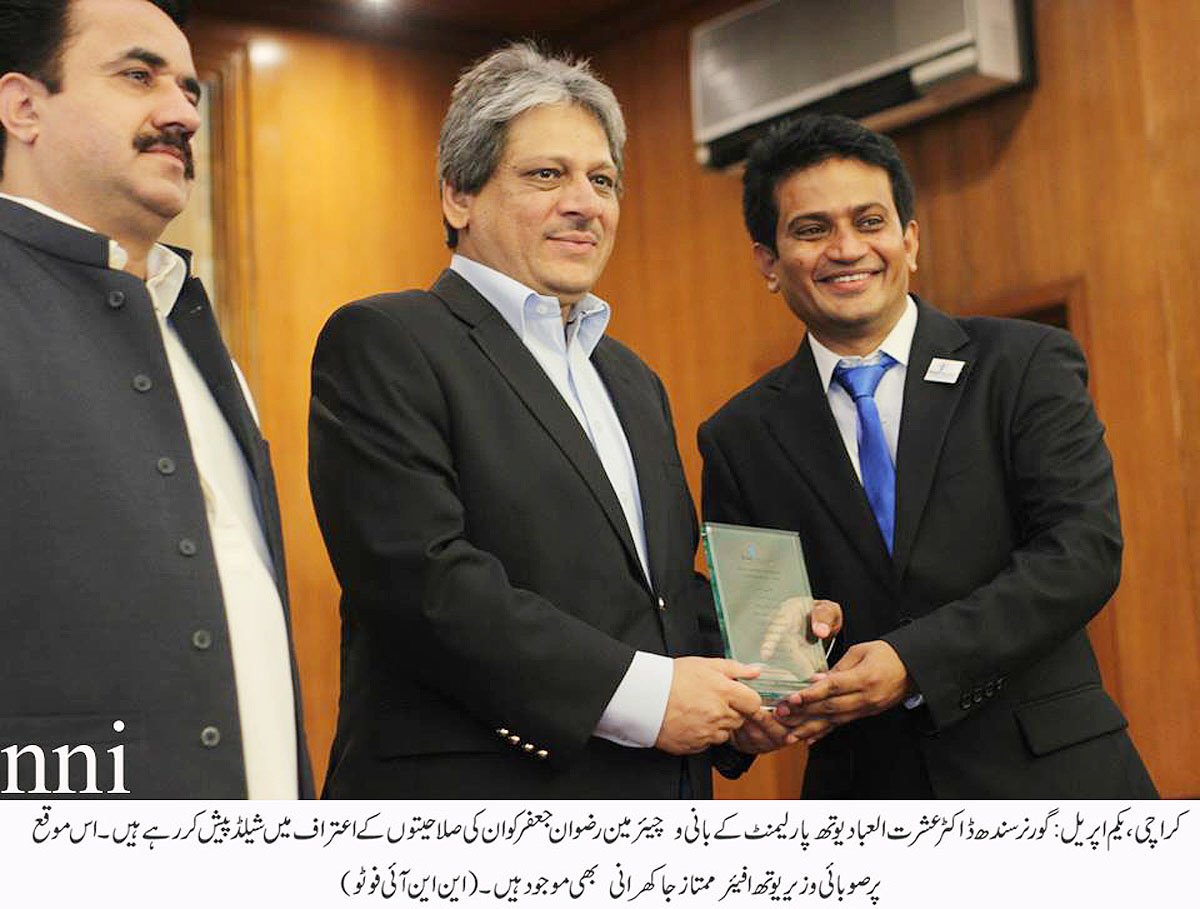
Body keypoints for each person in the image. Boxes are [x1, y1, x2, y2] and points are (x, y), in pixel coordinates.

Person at [309, 43, 836, 799]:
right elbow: (421, 580)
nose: (585, 202)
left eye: (603, 180)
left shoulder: (630, 377)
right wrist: (650, 699)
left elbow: (653, 599)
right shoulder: (387, 340)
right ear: (458, 195)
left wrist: (760, 672)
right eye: (546, 175)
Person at [698, 113, 1157, 798]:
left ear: (910, 238)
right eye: (812, 229)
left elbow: (1082, 551)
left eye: (870, 221)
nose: (847, 248)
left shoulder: (1022, 364)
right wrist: (760, 705)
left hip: (1055, 780)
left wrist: (913, 660)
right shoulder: (738, 435)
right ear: (768, 261)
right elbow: (763, 629)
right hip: (867, 801)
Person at [0, 0, 310, 797]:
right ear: (23, 107)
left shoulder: (190, 329)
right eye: (138, 76)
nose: (180, 113)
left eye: (188, 90)